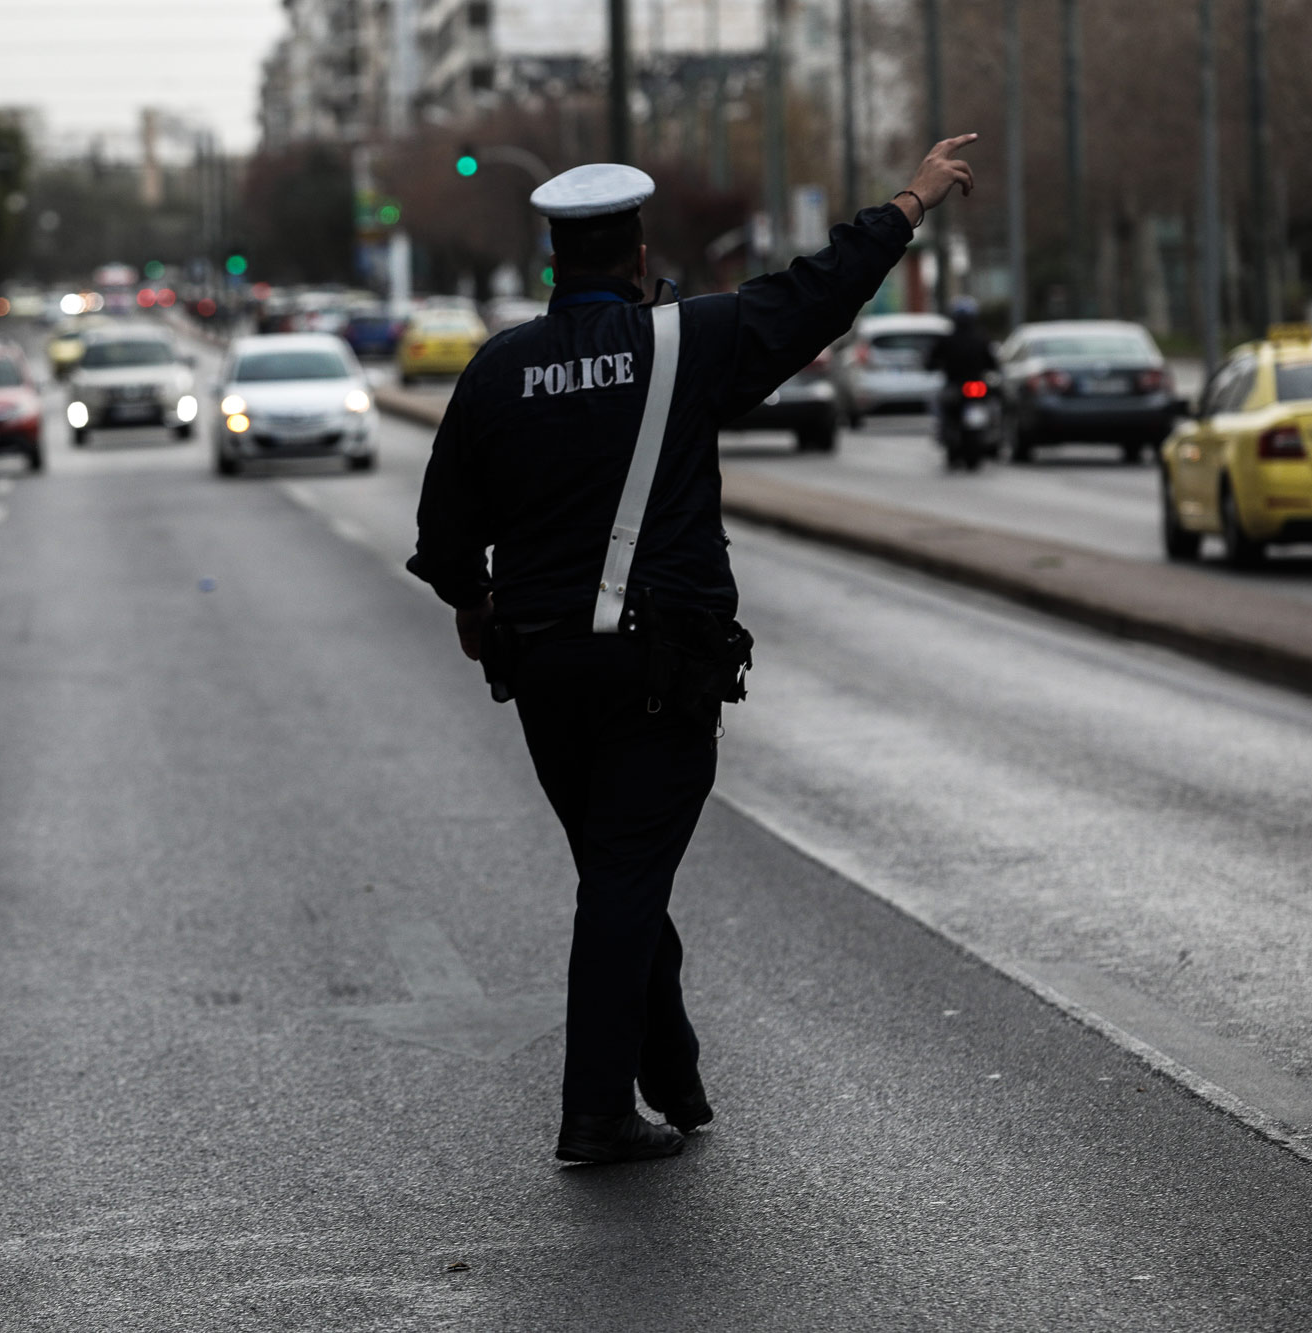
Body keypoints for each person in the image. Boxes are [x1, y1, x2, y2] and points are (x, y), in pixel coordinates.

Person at [408, 134, 979, 1164]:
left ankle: (669, 1077)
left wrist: (471, 602)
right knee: (625, 875)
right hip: (655, 670)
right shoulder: (685, 342)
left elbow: (443, 535)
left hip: (541, 672)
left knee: (617, 868)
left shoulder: (495, 368)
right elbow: (815, 293)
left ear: (551, 262)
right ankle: (591, 1109)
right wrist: (908, 201)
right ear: (635, 255)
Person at [924, 296, 1000, 461]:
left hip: (960, 386)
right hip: (968, 386)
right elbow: (994, 363)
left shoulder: (948, 339)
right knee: (941, 405)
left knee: (941, 405)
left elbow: (930, 361)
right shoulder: (982, 338)